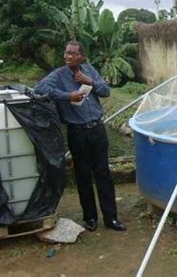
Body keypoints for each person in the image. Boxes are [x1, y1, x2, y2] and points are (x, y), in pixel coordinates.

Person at [35, 41, 126, 232]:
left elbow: (106, 91)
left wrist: (90, 81)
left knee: (104, 174)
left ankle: (111, 218)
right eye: (66, 53)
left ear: (81, 56)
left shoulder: (89, 70)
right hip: (77, 133)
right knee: (83, 176)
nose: (68, 56)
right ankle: (90, 218)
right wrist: (68, 95)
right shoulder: (58, 75)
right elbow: (40, 89)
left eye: (73, 54)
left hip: (98, 129)